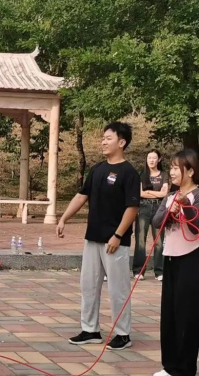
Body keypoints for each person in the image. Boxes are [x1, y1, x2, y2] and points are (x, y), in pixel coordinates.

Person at [57, 122, 140, 351]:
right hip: (93, 238)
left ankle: (122, 334)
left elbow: (132, 208)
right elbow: (82, 196)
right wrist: (64, 218)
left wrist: (118, 235)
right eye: (103, 138)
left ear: (121, 142)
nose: (103, 142)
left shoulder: (129, 173)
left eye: (108, 138)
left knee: (118, 289)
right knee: (88, 285)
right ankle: (90, 330)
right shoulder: (97, 169)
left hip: (115, 241)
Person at [152, 149, 199, 376]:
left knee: (187, 316)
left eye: (175, 168)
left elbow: (196, 227)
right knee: (169, 314)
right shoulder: (171, 195)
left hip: (192, 261)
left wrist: (186, 206)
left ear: (190, 171)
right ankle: (169, 366)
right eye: (170, 167)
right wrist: (170, 211)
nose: (170, 172)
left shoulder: (197, 195)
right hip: (170, 259)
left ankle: (185, 369)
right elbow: (156, 221)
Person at [132, 150, 168, 281]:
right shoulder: (142, 174)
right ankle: (138, 270)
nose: (151, 160)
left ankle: (159, 271)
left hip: (159, 208)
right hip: (144, 208)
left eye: (154, 158)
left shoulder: (164, 175)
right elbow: (140, 193)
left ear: (159, 159)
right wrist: (156, 193)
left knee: (159, 241)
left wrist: (148, 192)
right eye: (149, 158)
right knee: (140, 240)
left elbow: (164, 193)